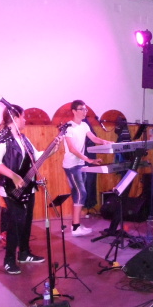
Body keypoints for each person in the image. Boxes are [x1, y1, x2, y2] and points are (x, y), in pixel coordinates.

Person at [0, 105, 49, 274]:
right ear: (15, 119)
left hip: (27, 185)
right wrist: (13, 176)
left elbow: (36, 156)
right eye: (23, 117)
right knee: (16, 222)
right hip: (10, 187)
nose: (25, 120)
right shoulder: (2, 138)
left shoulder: (23, 138)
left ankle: (24, 253)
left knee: (27, 220)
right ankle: (9, 259)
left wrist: (52, 149)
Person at [62, 100, 112, 237]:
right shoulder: (69, 127)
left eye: (85, 109)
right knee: (81, 193)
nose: (85, 112)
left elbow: (94, 139)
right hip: (71, 165)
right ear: (74, 111)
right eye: (82, 109)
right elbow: (72, 149)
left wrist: (105, 142)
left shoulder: (84, 125)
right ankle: (75, 227)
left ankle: (76, 224)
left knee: (78, 194)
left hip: (80, 163)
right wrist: (88, 159)